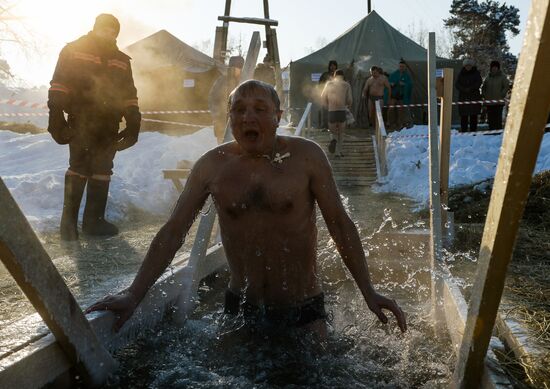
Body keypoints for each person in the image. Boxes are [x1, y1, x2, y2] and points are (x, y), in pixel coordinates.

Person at [87, 80, 407, 338]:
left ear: (278, 116)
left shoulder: (306, 158)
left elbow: (339, 223)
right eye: (238, 110)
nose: (247, 117)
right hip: (241, 310)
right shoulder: (212, 167)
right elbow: (173, 231)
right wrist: (134, 293)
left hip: (304, 308)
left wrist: (369, 292)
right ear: (230, 119)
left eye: (259, 109)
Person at [47, 14, 141, 241]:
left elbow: (129, 94)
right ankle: (68, 225)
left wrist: (133, 123)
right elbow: (59, 84)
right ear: (96, 28)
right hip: (82, 120)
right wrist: (56, 116)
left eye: (113, 31)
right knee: (79, 166)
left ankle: (93, 222)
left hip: (109, 124)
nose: (108, 33)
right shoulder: (74, 49)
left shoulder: (121, 59)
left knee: (102, 168)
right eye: (105, 29)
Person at [208, 55, 244, 144]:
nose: (240, 71)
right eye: (238, 68)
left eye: (241, 68)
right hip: (223, 123)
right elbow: (212, 99)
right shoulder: (222, 81)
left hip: (240, 124)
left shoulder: (243, 81)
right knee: (223, 150)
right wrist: (218, 115)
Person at [321, 69, 352, 157]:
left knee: (333, 132)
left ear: (334, 76)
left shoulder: (329, 84)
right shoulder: (346, 85)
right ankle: (339, 152)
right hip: (341, 111)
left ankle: (333, 140)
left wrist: (327, 106)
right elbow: (350, 100)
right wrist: (348, 107)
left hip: (332, 111)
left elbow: (322, 97)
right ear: (343, 76)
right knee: (341, 133)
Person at [455, 58, 482, 132]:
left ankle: (473, 131)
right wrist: (464, 89)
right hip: (463, 97)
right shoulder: (461, 73)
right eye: (466, 66)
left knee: (473, 115)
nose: (468, 67)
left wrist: (471, 88)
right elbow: (457, 84)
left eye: (469, 65)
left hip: (474, 97)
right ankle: (464, 131)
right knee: (464, 116)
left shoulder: (476, 73)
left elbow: (479, 82)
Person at [481, 60, 509, 131]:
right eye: (493, 67)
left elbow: (506, 86)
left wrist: (502, 94)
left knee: (497, 118)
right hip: (489, 102)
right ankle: (491, 131)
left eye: (496, 67)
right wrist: (484, 95)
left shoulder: (502, 76)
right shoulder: (488, 77)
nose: (494, 69)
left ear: (498, 68)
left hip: (499, 101)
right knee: (491, 119)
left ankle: (498, 131)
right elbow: (484, 87)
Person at [388, 60, 413, 130]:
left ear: (405, 67)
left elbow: (410, 85)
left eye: (403, 66)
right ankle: (391, 123)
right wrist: (392, 84)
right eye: (400, 66)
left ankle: (400, 124)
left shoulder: (407, 76)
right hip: (393, 95)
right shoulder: (394, 74)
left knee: (400, 111)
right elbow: (388, 83)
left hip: (402, 96)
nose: (401, 68)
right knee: (391, 109)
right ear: (398, 66)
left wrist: (404, 84)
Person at [318, 60, 338, 129]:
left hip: (335, 96)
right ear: (329, 66)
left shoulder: (338, 75)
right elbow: (320, 84)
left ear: (336, 66)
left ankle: (334, 126)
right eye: (331, 65)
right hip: (326, 95)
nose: (332, 67)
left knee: (335, 112)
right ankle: (324, 126)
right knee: (325, 111)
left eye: (334, 65)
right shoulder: (325, 74)